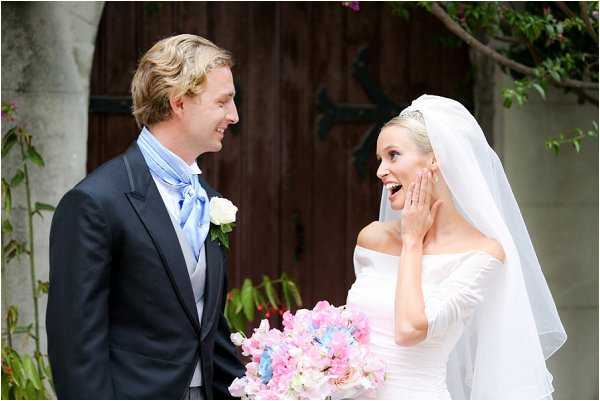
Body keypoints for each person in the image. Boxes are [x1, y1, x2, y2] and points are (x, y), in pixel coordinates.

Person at [46, 34, 244, 399]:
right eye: (223, 101)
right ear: (179, 102)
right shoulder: (95, 203)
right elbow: (74, 347)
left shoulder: (210, 201)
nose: (233, 115)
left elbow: (207, 326)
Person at [347, 95, 566, 399]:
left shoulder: (483, 254)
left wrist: (412, 241)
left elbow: (409, 329)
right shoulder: (372, 239)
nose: (380, 171)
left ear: (435, 158)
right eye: (380, 160)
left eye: (393, 155)